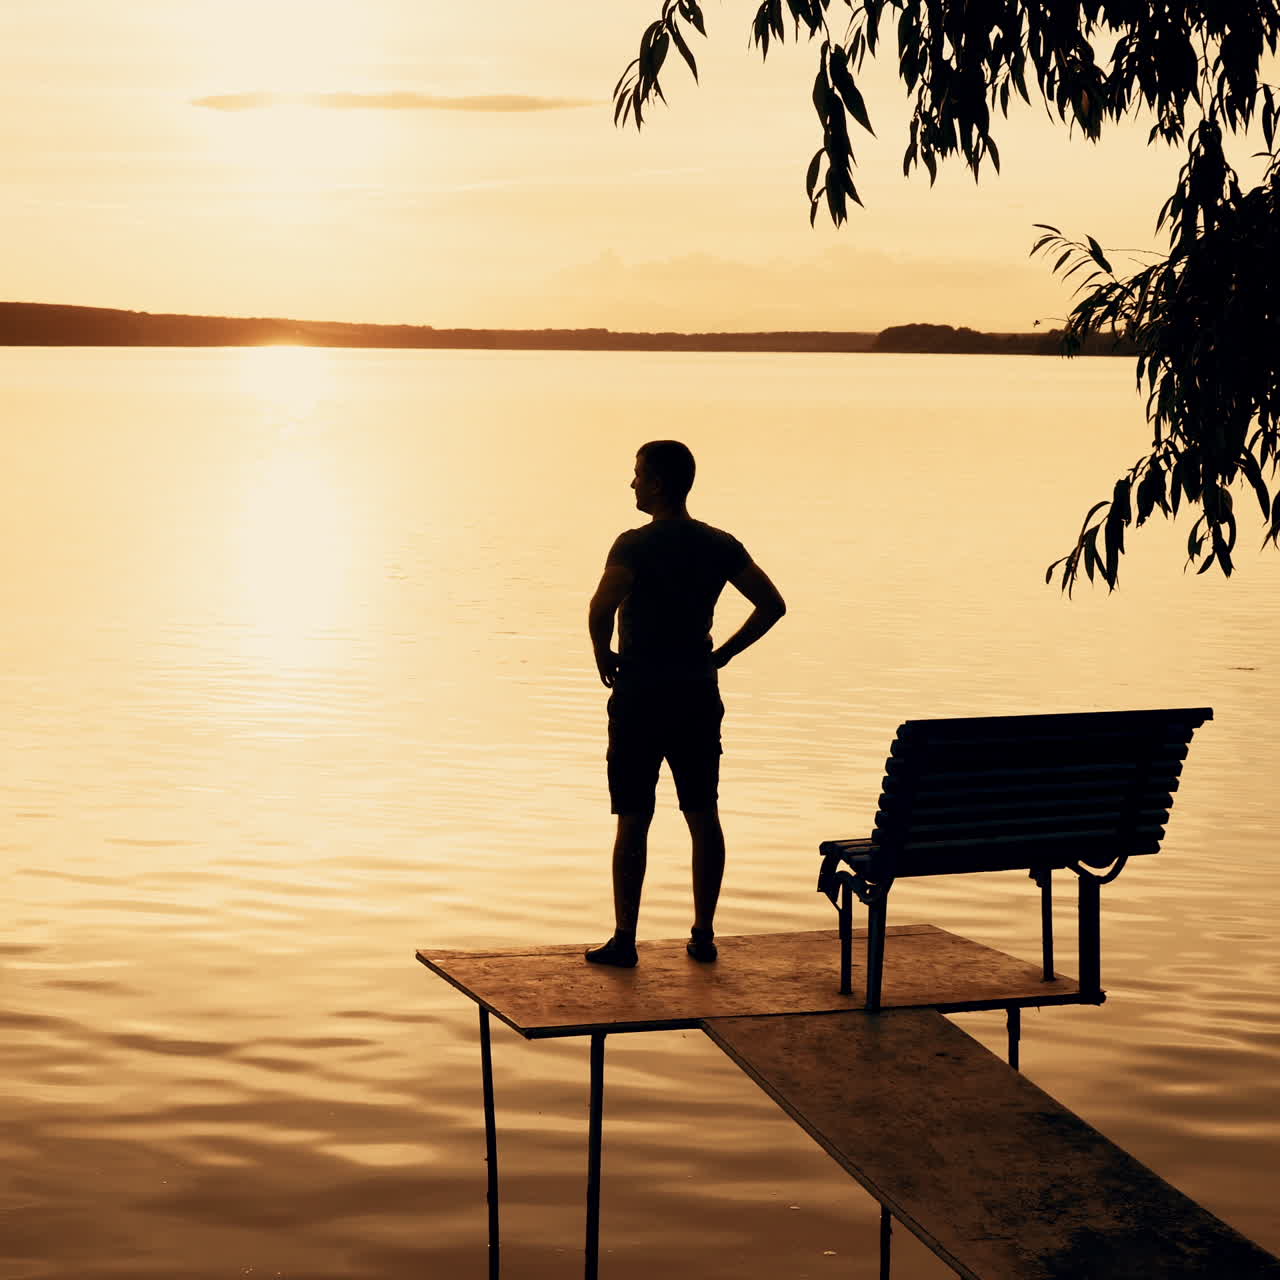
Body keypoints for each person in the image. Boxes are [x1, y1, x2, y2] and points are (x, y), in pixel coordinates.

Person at [585, 440, 786, 968]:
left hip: (640, 697)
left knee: (633, 817)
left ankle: (625, 939)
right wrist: (721, 656)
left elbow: (601, 605)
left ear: (656, 484)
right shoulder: (719, 544)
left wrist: (601, 651)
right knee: (703, 814)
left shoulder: (633, 544)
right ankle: (703, 934)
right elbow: (772, 605)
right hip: (696, 693)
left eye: (636, 474)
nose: (630, 483)